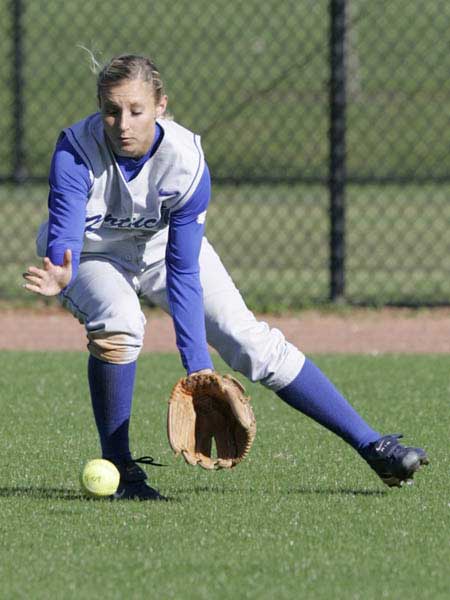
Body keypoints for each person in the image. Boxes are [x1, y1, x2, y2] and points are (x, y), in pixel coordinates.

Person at [23, 53, 428, 500]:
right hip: (91, 254)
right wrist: (63, 267)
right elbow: (65, 224)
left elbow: (182, 269)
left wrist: (198, 368)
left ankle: (375, 447)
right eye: (112, 111)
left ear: (160, 106)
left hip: (162, 251)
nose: (123, 123)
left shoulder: (185, 162)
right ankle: (122, 469)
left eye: (136, 110)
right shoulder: (76, 149)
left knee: (249, 340)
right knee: (120, 320)